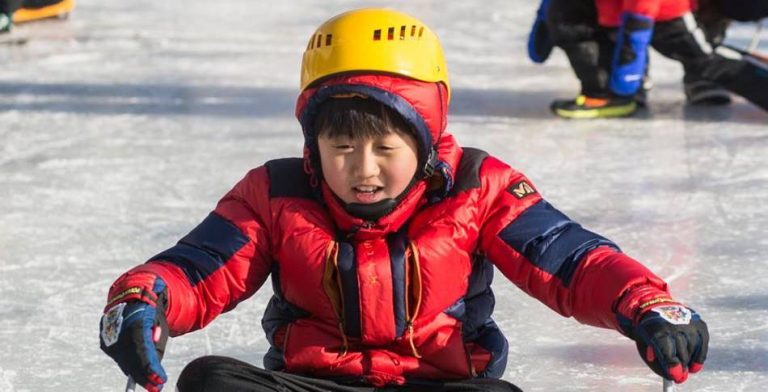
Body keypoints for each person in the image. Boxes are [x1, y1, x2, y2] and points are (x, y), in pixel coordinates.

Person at [99, 8, 709, 392]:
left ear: (425, 132)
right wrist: (141, 301)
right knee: (211, 381)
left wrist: (647, 305)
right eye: (340, 146)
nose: (362, 170)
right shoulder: (276, 193)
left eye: (385, 147)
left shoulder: (479, 187)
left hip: (442, 387)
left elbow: (573, 262)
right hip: (311, 384)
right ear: (314, 139)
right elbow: (196, 268)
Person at [528, 0, 768, 118]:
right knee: (570, 22)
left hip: (663, 10)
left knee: (704, 60)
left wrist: (630, 64)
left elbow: (641, 11)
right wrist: (547, 14)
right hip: (605, 11)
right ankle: (604, 95)